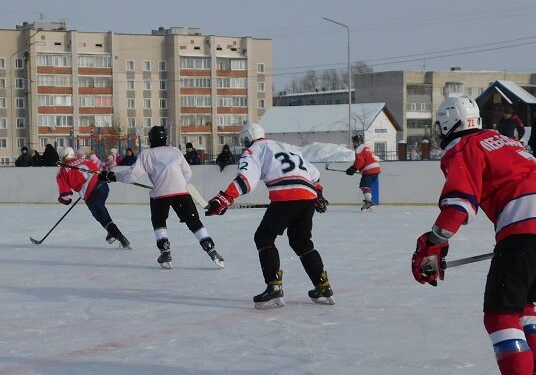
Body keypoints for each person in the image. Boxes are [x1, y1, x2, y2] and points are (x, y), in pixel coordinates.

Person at [411, 95, 536, 375]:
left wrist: (434, 242)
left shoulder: (463, 146)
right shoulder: (506, 141)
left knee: (499, 314)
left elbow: (459, 203)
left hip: (525, 220)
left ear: (447, 123)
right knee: (523, 307)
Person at [205, 122, 333, 309]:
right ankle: (323, 285)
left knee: (264, 237)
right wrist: (319, 195)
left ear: (248, 137)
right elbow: (313, 174)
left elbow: (246, 180)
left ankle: (273, 287)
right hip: (308, 195)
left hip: (286, 195)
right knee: (301, 242)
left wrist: (225, 198)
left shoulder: (254, 150)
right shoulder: (286, 147)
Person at [107, 125, 223, 269]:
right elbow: (188, 174)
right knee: (193, 221)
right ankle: (210, 248)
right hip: (182, 192)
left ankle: (165, 252)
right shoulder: (175, 151)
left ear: (150, 139)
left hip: (160, 195)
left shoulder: (146, 154)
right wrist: (176, 184)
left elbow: (131, 176)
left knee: (159, 221)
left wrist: (114, 176)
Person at [56, 146, 131, 249]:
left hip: (91, 194)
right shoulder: (84, 159)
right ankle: (111, 231)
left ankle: (121, 238)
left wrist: (61, 199)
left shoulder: (62, 170)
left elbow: (66, 198)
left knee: (102, 218)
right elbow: (97, 170)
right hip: (103, 187)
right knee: (101, 213)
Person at [345, 135, 382, 211]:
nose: (353, 144)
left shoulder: (359, 148)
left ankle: (369, 202)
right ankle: (370, 205)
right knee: (365, 186)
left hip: (369, 170)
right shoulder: (366, 147)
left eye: (354, 142)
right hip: (376, 169)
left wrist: (354, 168)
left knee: (364, 185)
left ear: (357, 142)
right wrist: (352, 168)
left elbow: (360, 161)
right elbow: (361, 161)